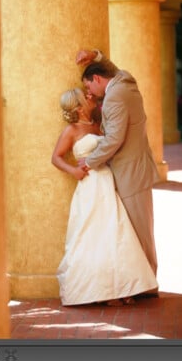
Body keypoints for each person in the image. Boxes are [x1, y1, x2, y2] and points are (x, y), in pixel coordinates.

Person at [51, 88, 158, 306]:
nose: (90, 97)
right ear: (79, 107)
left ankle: (123, 287)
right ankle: (93, 290)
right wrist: (73, 171)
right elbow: (56, 157)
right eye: (86, 96)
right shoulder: (71, 130)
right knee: (91, 233)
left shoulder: (98, 125)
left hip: (108, 181)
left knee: (116, 232)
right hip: (90, 186)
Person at [75, 50, 161, 297]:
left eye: (88, 84)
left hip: (130, 171)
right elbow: (112, 70)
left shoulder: (113, 98)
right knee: (140, 227)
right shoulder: (125, 80)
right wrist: (96, 55)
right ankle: (144, 282)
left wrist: (88, 162)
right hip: (138, 167)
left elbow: (113, 139)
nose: (89, 92)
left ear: (98, 79)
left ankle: (148, 286)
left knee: (139, 229)